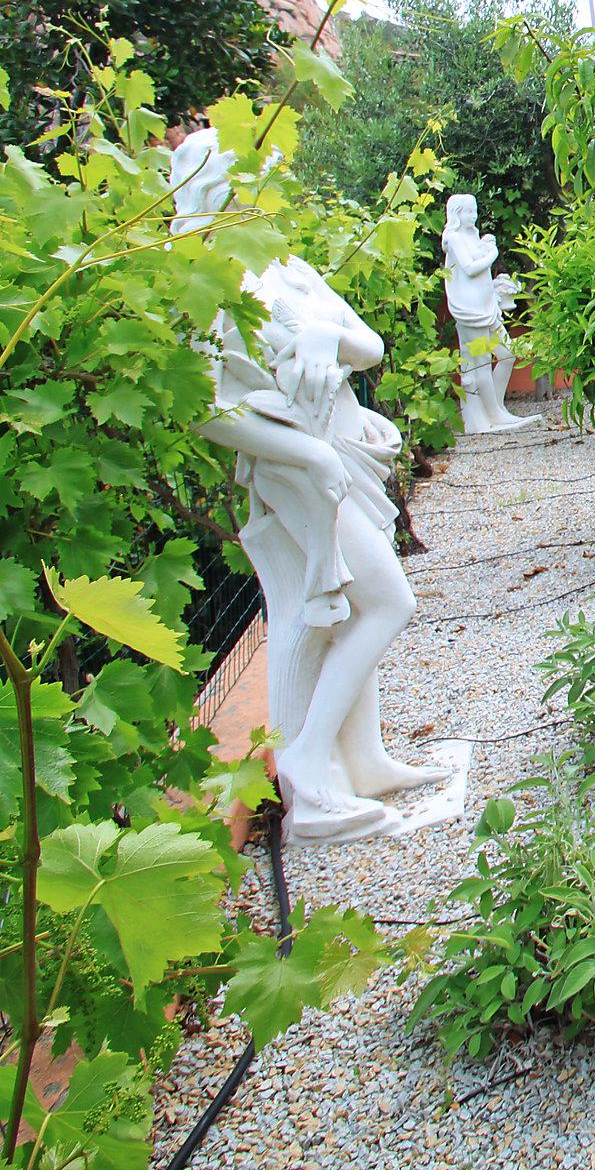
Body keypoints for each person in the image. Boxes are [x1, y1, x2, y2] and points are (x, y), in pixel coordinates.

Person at [171, 130, 447, 842]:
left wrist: (326, 340)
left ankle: (364, 759)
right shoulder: (199, 276)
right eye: (247, 180)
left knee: (343, 608)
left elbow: (369, 344)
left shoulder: (280, 263)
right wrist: (305, 456)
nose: (263, 193)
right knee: (382, 602)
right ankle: (305, 766)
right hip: (300, 468)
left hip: (347, 448)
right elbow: (205, 408)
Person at [441, 193, 536, 433]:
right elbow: (470, 268)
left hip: (487, 307)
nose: (473, 216)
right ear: (456, 214)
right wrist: (491, 253)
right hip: (470, 310)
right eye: (468, 212)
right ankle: (491, 414)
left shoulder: (472, 236)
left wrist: (485, 245)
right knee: (479, 363)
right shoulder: (453, 238)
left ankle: (497, 408)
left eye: (475, 211)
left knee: (507, 354)